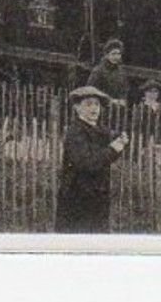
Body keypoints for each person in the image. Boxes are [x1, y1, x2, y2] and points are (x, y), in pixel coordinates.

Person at [54, 86, 130, 233]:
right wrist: (114, 149)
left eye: (96, 104)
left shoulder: (100, 131)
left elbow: (109, 149)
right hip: (77, 197)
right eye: (88, 104)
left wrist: (120, 141)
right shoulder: (75, 132)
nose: (94, 108)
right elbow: (87, 163)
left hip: (98, 196)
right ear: (77, 108)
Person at [86, 39, 130, 103]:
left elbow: (125, 90)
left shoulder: (121, 72)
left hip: (118, 107)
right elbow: (91, 90)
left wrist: (122, 100)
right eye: (113, 54)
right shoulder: (98, 71)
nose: (116, 57)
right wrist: (108, 100)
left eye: (118, 54)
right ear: (106, 55)